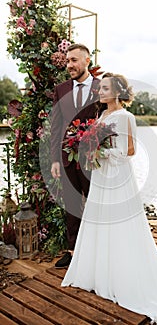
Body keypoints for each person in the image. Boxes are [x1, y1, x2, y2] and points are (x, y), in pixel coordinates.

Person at [61, 72, 157, 324]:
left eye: (104, 88)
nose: (100, 92)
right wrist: (91, 149)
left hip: (117, 175)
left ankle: (123, 276)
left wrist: (103, 150)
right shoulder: (101, 115)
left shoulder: (126, 117)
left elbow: (129, 151)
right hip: (101, 176)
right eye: (100, 88)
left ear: (118, 92)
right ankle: (102, 273)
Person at [50, 43, 104, 268]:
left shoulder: (103, 87)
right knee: (71, 204)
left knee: (97, 203)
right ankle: (72, 251)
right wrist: (55, 158)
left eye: (74, 60)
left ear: (87, 61)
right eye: (68, 60)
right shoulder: (61, 89)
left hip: (94, 158)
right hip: (66, 157)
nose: (69, 65)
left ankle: (99, 249)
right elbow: (56, 126)